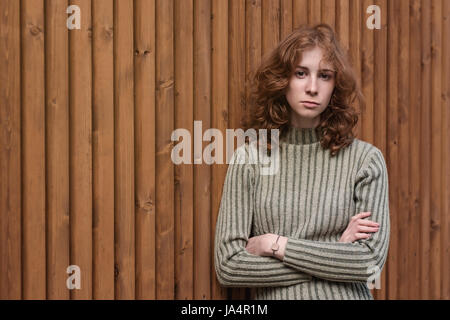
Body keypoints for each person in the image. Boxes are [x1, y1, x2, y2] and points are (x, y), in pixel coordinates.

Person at [213, 24, 390, 300]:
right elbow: (230, 266)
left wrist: (275, 244)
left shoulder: (365, 161)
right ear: (283, 79)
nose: (312, 88)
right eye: (300, 73)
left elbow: (368, 262)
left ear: (336, 84)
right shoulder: (249, 160)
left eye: (325, 76)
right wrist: (334, 254)